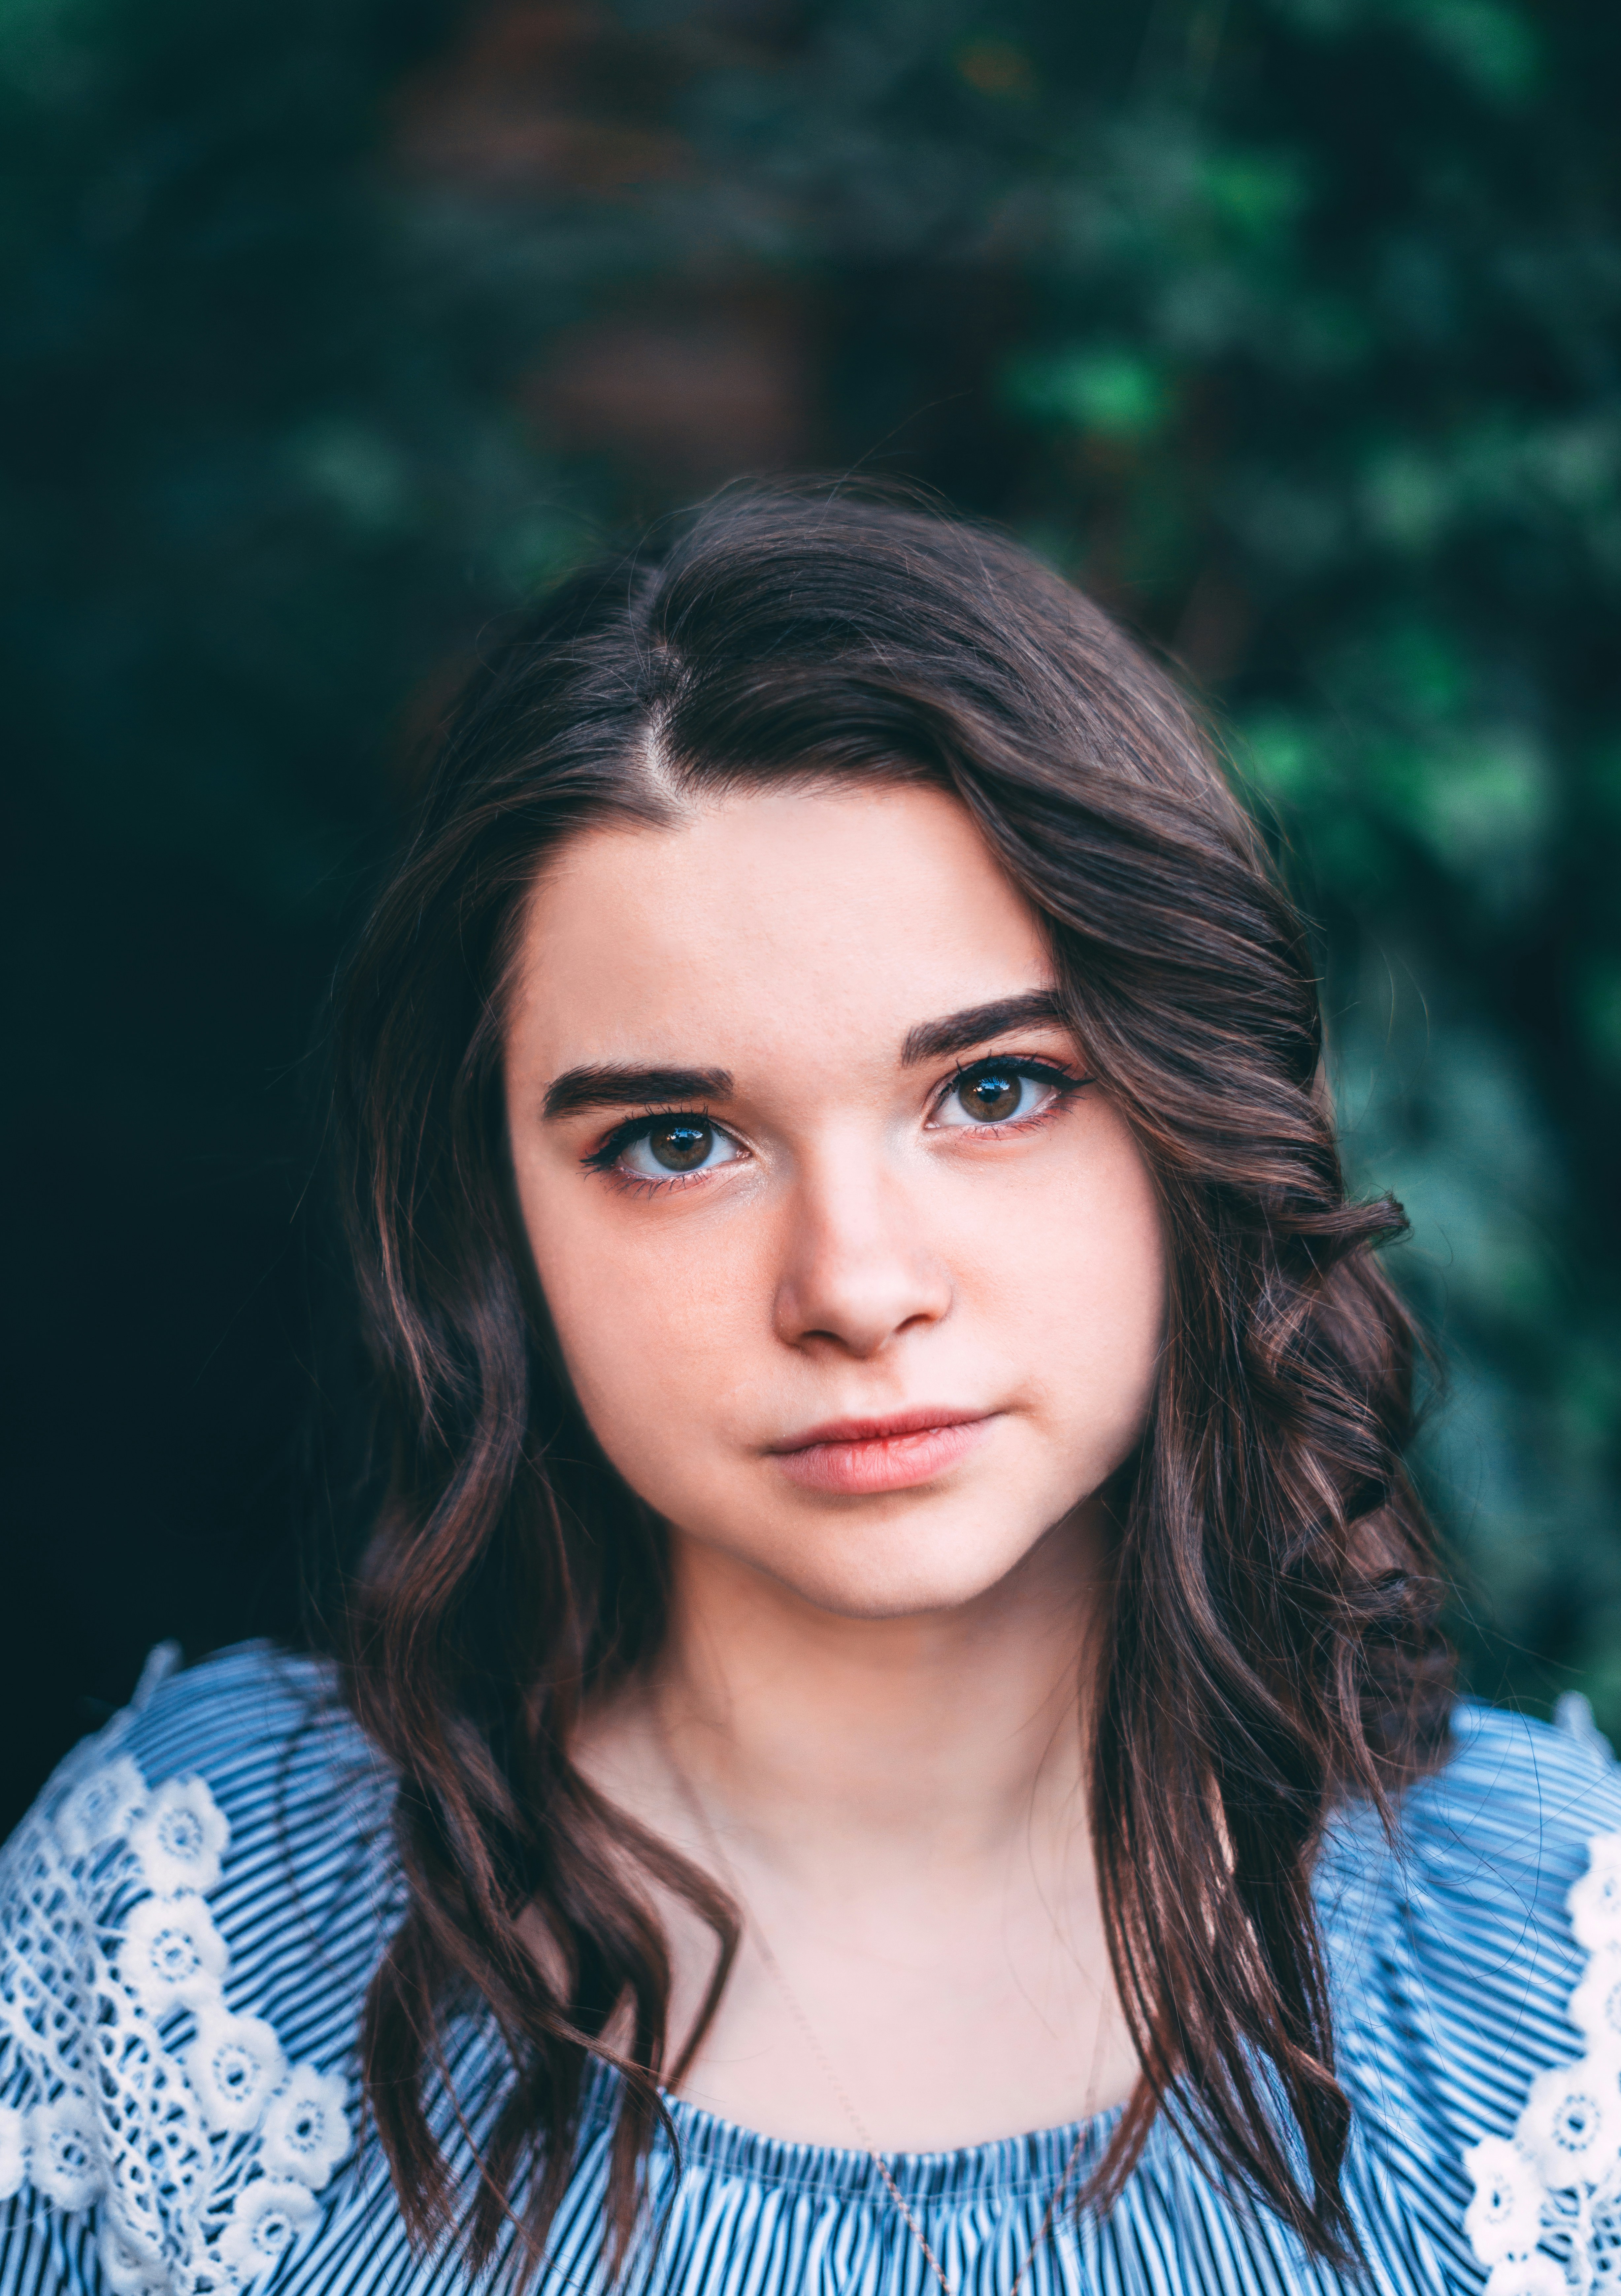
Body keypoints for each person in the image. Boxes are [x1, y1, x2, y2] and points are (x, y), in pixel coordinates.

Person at [1, 489, 1616, 2296]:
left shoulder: (1565, 1980)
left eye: (995, 1092)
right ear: (497, 1218)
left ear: (1196, 1118)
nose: (853, 1286)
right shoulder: (200, 1921)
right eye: (678, 1140)